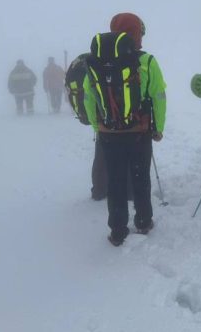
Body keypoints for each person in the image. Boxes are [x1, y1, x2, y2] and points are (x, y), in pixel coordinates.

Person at [83, 13, 167, 246]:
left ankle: (118, 229)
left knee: (116, 181)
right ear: (138, 33)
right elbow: (158, 96)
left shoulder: (94, 60)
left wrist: (97, 126)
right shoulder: (147, 61)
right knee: (140, 178)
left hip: (109, 133)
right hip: (139, 131)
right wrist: (158, 127)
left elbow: (89, 97)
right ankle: (143, 221)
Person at [64, 53, 133, 201]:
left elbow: (88, 97)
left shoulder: (90, 63)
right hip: (119, 115)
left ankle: (99, 190)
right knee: (127, 153)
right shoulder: (112, 62)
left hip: (100, 117)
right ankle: (128, 191)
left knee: (102, 154)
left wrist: (95, 123)